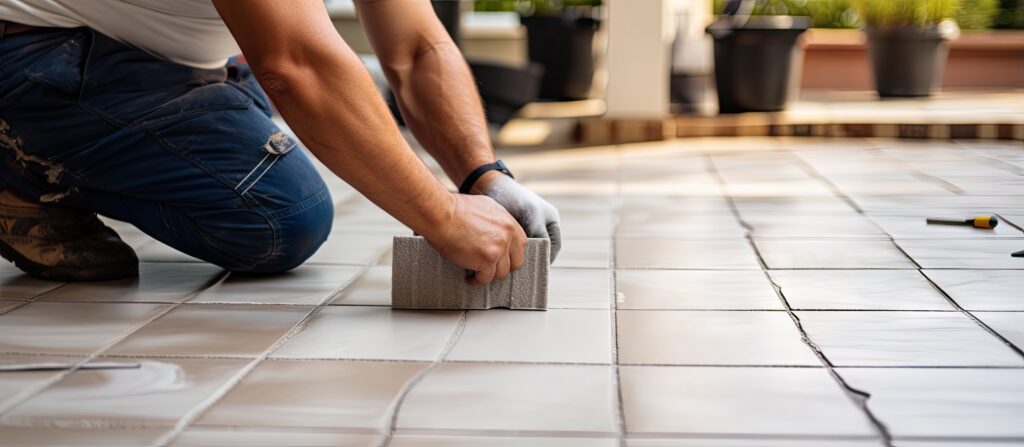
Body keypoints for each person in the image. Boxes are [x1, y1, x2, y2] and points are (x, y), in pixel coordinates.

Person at [0, 0, 561, 284]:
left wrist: (483, 176)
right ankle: (18, 168)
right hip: (31, 56)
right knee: (280, 212)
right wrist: (442, 216)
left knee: (326, 117)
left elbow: (415, 48)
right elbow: (294, 67)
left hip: (147, 57)